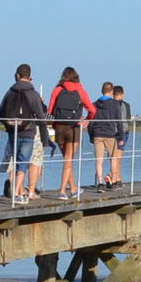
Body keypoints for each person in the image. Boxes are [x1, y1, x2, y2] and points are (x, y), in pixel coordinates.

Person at [0, 64, 50, 204]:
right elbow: (40, 117)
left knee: (15, 162)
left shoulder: (10, 92)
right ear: (30, 77)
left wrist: (8, 126)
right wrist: (45, 139)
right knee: (23, 163)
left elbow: (0, 113)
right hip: (28, 132)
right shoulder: (33, 93)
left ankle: (16, 191)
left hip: (12, 133)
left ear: (17, 76)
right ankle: (16, 194)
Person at [45, 68, 95, 200]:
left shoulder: (57, 90)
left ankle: (73, 189)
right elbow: (92, 110)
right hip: (74, 128)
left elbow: (50, 111)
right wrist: (87, 121)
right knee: (68, 161)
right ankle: (62, 191)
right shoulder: (80, 90)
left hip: (59, 128)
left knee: (68, 161)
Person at [89, 81, 126, 188]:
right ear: (111, 91)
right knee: (114, 158)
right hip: (110, 134)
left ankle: (100, 182)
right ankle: (114, 181)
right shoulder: (115, 104)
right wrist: (121, 136)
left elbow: (91, 121)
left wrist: (91, 135)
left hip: (98, 134)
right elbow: (119, 121)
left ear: (102, 90)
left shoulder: (95, 104)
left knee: (99, 160)